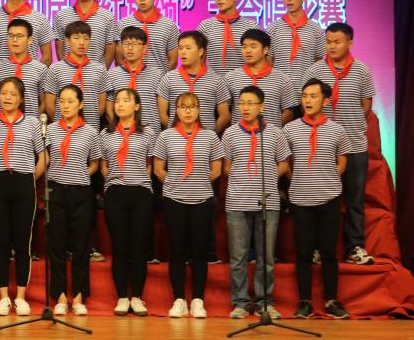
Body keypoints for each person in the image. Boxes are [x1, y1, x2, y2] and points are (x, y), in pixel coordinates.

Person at [302, 22, 377, 265]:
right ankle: (319, 249)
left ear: (349, 42)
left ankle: (355, 247)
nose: (332, 46)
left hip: (355, 146)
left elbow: (366, 105)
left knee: (354, 200)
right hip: (323, 148)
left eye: (337, 42)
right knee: (321, 201)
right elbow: (307, 105)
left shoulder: (362, 70)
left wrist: (349, 126)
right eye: (328, 42)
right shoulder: (314, 70)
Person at [283, 79, 352, 319]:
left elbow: (342, 162)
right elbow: (285, 162)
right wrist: (296, 179)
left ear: (325, 100)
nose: (307, 101)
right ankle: (305, 302)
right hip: (300, 199)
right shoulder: (290, 129)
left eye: (313, 96)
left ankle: (331, 300)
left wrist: (328, 177)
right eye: (304, 96)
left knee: (329, 252)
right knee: (303, 253)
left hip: (329, 197)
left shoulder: (337, 130)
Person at [153, 93, 225, 318]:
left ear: (199, 110)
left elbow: (217, 170)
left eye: (192, 107)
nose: (187, 111)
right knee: (176, 250)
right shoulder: (166, 136)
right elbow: (158, 169)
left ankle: (198, 300)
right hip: (174, 200)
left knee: (199, 252)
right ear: (176, 110)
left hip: (202, 201)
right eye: (183, 107)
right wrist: (175, 184)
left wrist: (199, 182)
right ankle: (179, 299)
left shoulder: (209, 136)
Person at [222, 86, 291, 320]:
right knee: (238, 257)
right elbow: (226, 167)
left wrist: (268, 177)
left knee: (266, 256)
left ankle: (264, 302)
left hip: (267, 203)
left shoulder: (275, 133)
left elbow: (283, 163)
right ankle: (240, 302)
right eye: (241, 103)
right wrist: (242, 179)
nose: (245, 107)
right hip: (237, 202)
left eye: (250, 103)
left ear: (262, 106)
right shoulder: (230, 133)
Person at [0, 77, 45, 316]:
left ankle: (20, 296)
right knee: (0, 241)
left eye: (13, 94)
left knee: (23, 242)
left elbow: (43, 157)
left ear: (21, 99)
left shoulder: (32, 123)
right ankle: (3, 297)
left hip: (23, 183)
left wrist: (30, 178)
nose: (7, 98)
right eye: (3, 93)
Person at [45, 85, 100, 316]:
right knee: (56, 244)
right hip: (56, 190)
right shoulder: (49, 130)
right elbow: (45, 158)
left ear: (81, 104)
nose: (65, 106)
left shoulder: (90, 132)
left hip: (81, 192)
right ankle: (59, 295)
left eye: (70, 101)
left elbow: (95, 162)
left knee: (81, 246)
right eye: (62, 101)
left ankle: (78, 296)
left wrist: (81, 174)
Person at [101, 88, 155, 316]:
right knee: (120, 247)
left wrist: (137, 180)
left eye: (126, 100)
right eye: (117, 101)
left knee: (138, 247)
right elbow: (104, 165)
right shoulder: (106, 133)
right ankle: (122, 296)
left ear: (137, 106)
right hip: (115, 192)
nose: (120, 104)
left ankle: (137, 297)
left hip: (141, 193)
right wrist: (115, 181)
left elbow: (150, 164)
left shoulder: (148, 132)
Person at [157, 31, 231, 134]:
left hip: (205, 138)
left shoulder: (216, 80)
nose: (183, 52)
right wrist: (174, 133)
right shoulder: (168, 78)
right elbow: (162, 114)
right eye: (180, 48)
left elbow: (224, 115)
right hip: (176, 138)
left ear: (200, 51)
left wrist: (210, 134)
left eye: (188, 48)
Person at [267, 0, 325, 96]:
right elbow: (268, 62)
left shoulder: (316, 30)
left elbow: (319, 64)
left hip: (306, 95)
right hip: (278, 93)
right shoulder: (273, 28)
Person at [225, 29, 296, 128]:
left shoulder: (282, 79)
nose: (248, 50)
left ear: (265, 50)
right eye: (244, 47)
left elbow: (288, 113)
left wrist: (270, 129)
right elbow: (224, 112)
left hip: (270, 136)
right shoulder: (230, 78)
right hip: (239, 135)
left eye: (253, 46)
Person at [44, 21, 107, 129]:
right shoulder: (55, 69)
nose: (81, 42)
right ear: (67, 41)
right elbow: (50, 105)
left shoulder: (100, 69)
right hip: (61, 130)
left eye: (85, 38)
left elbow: (101, 105)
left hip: (90, 129)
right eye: (76, 38)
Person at [53, 0, 117, 66]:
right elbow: (59, 45)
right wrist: (65, 69)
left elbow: (110, 47)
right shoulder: (62, 15)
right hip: (68, 71)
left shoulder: (107, 17)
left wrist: (101, 71)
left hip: (96, 72)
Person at [196, 0, 259, 75]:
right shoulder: (205, 26)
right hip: (213, 82)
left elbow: (259, 61)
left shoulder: (251, 26)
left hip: (242, 82)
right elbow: (198, 60)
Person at [105, 26, 163, 130]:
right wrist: (120, 130)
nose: (130, 48)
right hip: (121, 133)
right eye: (126, 44)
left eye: (135, 44)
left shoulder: (157, 75)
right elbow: (109, 109)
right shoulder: (111, 75)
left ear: (144, 48)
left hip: (151, 133)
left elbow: (162, 110)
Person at [117, 0, 179, 71]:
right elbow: (119, 58)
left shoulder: (169, 25)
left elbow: (173, 60)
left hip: (159, 79)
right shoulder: (123, 24)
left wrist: (163, 78)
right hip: (129, 78)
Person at [0, 18, 47, 120]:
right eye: (11, 36)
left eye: (19, 36)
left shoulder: (41, 69)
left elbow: (44, 102)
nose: (14, 40)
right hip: (3, 124)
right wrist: (3, 119)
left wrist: (33, 121)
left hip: (30, 125)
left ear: (30, 40)